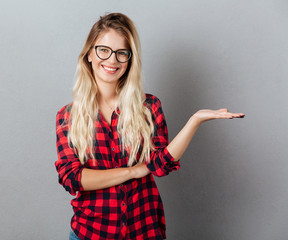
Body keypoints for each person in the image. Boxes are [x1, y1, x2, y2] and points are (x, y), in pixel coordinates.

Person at [55, 13, 244, 240]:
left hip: (144, 230)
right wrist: (133, 171)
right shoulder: (68, 117)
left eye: (121, 53)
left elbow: (160, 164)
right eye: (103, 50)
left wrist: (195, 120)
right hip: (90, 233)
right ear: (89, 54)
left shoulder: (149, 107)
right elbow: (73, 179)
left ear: (130, 59)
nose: (112, 60)